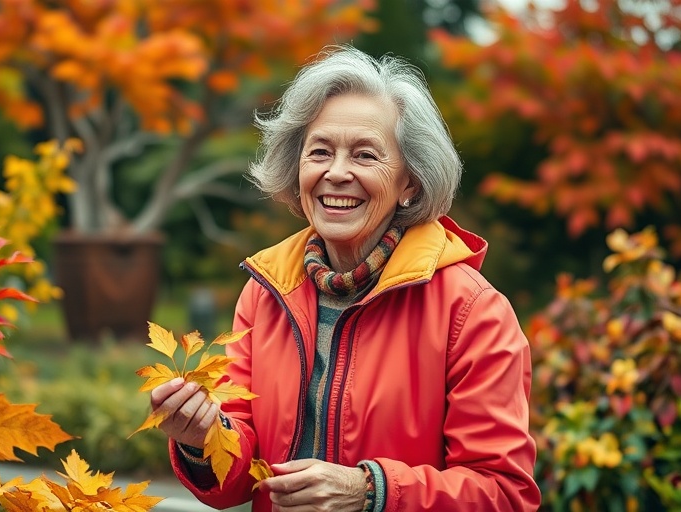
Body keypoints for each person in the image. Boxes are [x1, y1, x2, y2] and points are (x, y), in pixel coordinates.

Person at [149, 44, 541, 511]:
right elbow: (241, 475)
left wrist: (371, 491)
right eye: (320, 151)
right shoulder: (264, 292)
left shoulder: (472, 311)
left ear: (409, 182)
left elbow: (503, 492)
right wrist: (202, 438)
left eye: (365, 155)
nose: (337, 173)